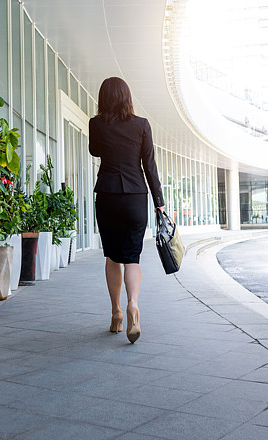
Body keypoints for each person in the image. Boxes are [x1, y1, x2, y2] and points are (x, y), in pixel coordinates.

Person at [89, 77, 165, 344]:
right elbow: (150, 166)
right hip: (135, 196)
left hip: (108, 196)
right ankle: (133, 304)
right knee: (132, 257)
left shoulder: (96, 124)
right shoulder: (142, 125)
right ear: (127, 97)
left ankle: (116, 314)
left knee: (112, 256)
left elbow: (94, 150)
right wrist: (159, 201)